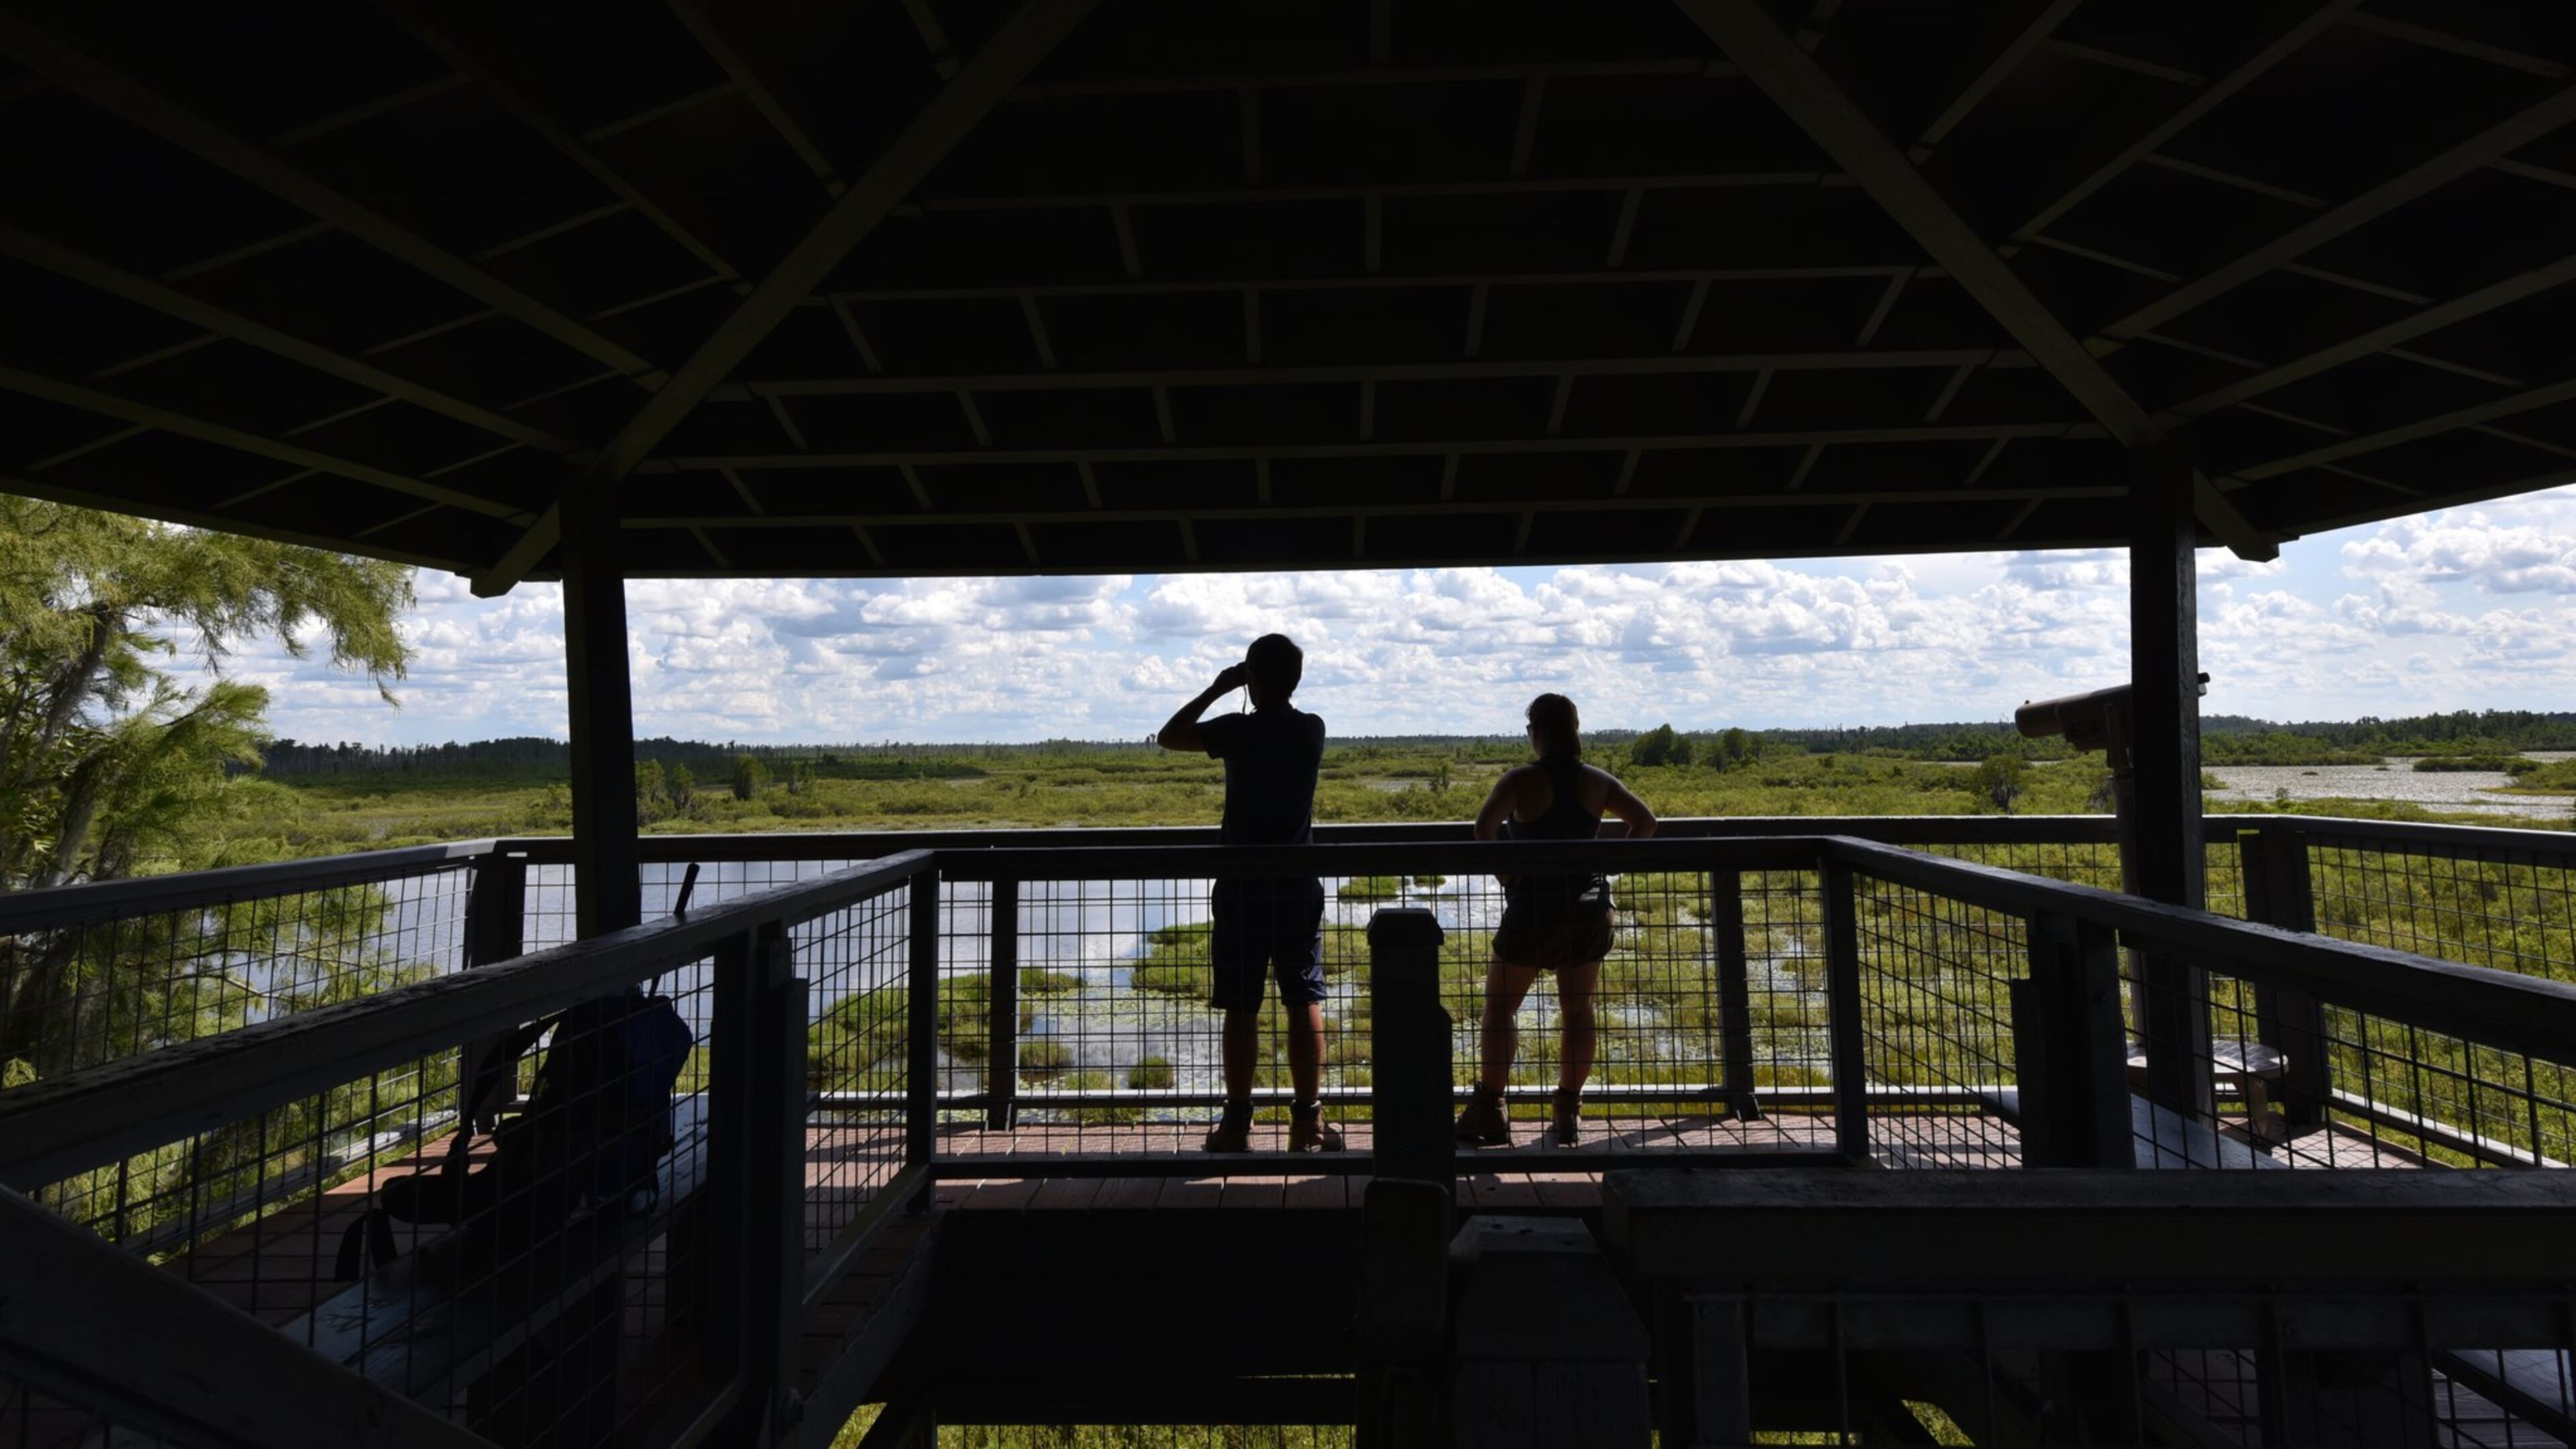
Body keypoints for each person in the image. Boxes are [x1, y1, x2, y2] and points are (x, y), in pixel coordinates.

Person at [1157, 634, 1340, 1153]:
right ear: (1297, 679)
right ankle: (1308, 1120)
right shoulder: (1312, 730)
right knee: (1303, 996)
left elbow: (1170, 736)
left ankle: (1237, 1123)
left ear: (1251, 678)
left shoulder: (1237, 731)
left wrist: (1218, 687)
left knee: (1241, 1005)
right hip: (1297, 883)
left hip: (1241, 885)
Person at [1455, 693, 1657, 1147]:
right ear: (1575, 730)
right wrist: (1609, 864)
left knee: (1501, 1008)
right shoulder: (1598, 781)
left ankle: (1491, 1106)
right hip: (1587, 910)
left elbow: (1483, 829)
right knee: (1578, 1011)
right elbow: (1646, 822)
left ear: (1536, 732)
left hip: (1532, 912)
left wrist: (1507, 872)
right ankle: (1567, 1110)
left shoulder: (1520, 781)